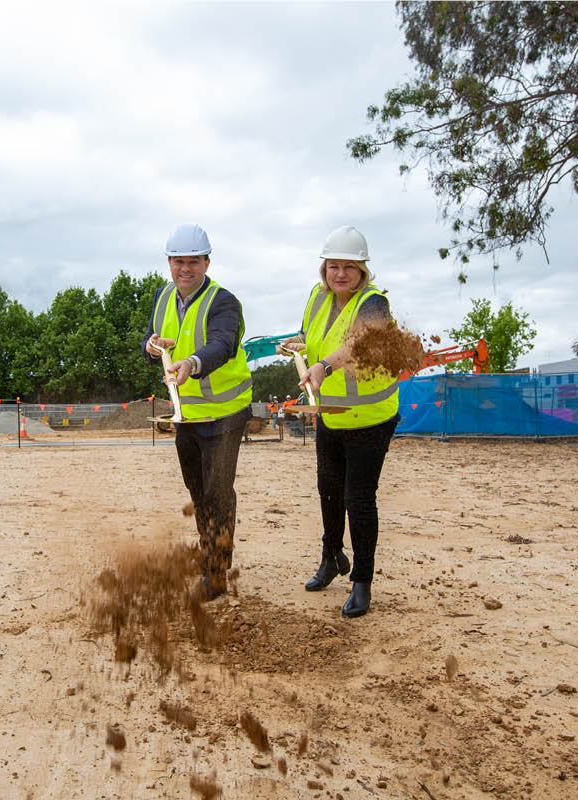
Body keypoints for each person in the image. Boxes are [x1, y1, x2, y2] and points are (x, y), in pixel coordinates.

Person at [282, 225, 399, 618]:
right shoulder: (318, 297)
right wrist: (300, 344)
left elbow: (360, 343)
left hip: (370, 418)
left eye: (350, 267)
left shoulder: (373, 303)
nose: (341, 274)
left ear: (363, 270)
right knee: (328, 491)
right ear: (324, 269)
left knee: (358, 499)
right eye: (334, 266)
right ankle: (332, 557)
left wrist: (323, 365)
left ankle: (362, 581)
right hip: (330, 417)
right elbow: (311, 332)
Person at [143, 223, 253, 601]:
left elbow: (222, 344)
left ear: (207, 262)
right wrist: (153, 347)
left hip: (225, 414)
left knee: (218, 491)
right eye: (177, 262)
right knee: (197, 490)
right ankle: (210, 553)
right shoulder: (162, 297)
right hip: (186, 414)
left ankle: (216, 573)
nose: (184, 269)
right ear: (169, 263)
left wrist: (191, 362)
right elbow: (151, 337)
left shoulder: (224, 302)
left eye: (192, 261)